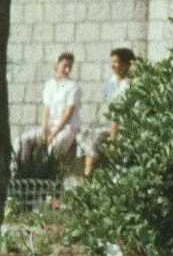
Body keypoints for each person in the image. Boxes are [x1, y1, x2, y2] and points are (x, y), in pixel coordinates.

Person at [83, 47, 136, 177]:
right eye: (112, 62)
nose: (113, 65)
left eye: (116, 62)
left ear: (126, 64)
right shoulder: (112, 83)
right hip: (112, 124)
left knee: (117, 149)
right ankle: (87, 174)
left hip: (127, 125)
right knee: (90, 137)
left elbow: (120, 111)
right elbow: (111, 109)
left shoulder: (130, 84)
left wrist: (113, 137)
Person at [40, 52, 82, 164]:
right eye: (65, 66)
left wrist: (52, 135)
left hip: (68, 128)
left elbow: (68, 115)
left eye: (70, 67)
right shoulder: (49, 84)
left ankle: (50, 177)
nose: (67, 70)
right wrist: (44, 129)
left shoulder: (73, 86)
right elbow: (46, 109)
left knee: (53, 147)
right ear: (56, 65)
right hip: (51, 126)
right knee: (23, 141)